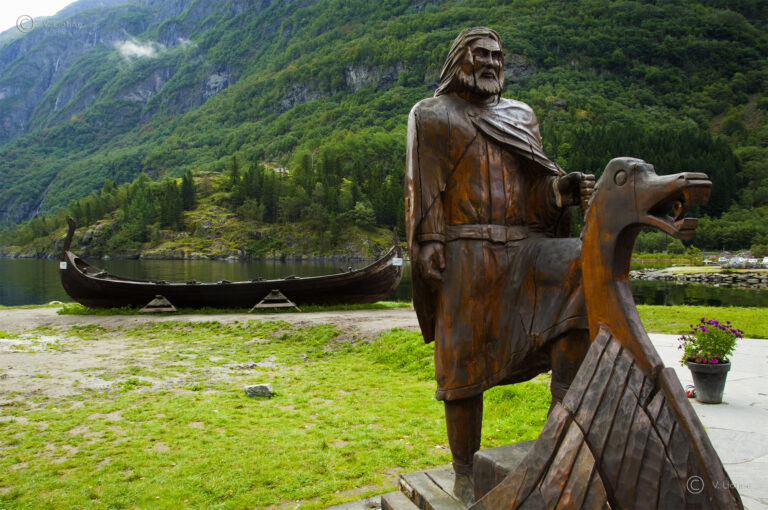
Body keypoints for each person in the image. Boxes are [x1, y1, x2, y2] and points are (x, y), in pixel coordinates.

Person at [405, 27, 595, 504]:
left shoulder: (521, 116)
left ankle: (561, 426)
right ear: (459, 61)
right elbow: (424, 187)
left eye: (497, 56)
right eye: (481, 55)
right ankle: (465, 471)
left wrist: (560, 191)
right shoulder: (432, 115)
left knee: (582, 263)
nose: (491, 63)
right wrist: (429, 241)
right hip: (466, 250)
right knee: (461, 362)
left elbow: (534, 192)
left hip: (526, 247)